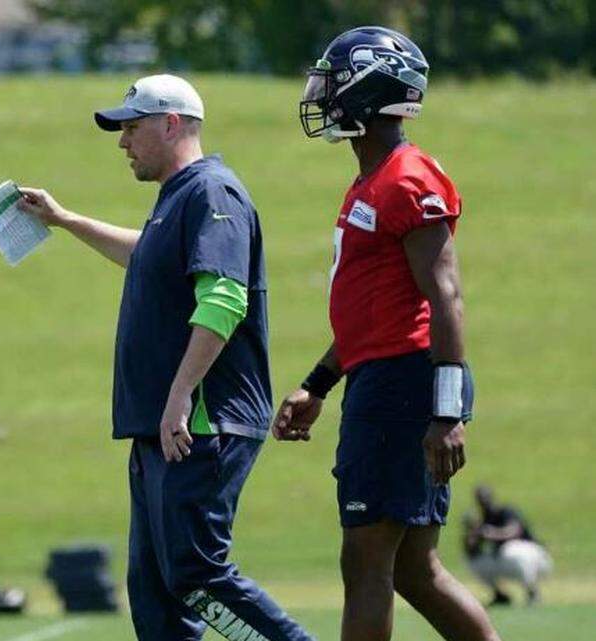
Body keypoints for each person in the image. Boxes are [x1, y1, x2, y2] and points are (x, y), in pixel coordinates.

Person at [19, 74, 312, 641]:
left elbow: (225, 299)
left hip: (200, 420)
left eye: (131, 128)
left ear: (171, 124)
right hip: (165, 427)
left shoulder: (212, 192)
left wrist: (179, 397)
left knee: (196, 576)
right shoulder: (177, 198)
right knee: (155, 591)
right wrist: (65, 220)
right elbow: (147, 253)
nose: (122, 142)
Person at [271, 26, 501, 641]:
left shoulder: (406, 177)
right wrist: (317, 384)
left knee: (367, 562)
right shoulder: (374, 180)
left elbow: (444, 295)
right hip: (390, 375)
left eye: (335, 80)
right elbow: (372, 315)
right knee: (412, 569)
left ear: (370, 91)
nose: (323, 93)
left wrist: (447, 411)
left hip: (406, 384)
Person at [465, 485, 551, 606]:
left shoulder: (506, 511)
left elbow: (513, 531)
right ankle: (500, 596)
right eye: (480, 499)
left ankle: (532, 591)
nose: (483, 501)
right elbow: (471, 550)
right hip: (506, 558)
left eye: (485, 497)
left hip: (534, 555)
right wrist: (472, 532)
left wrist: (490, 533)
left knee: (509, 550)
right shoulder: (483, 520)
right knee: (476, 562)